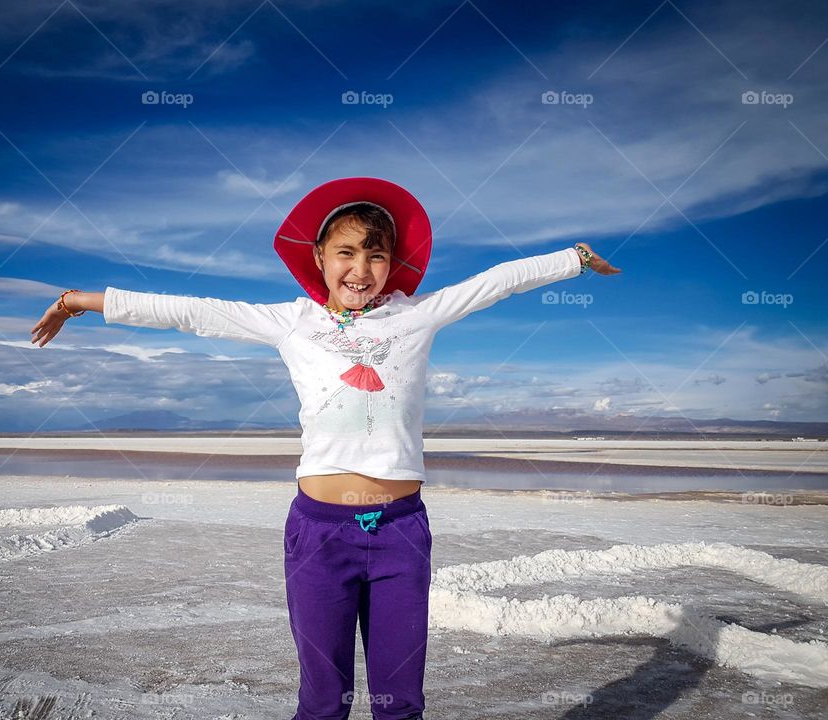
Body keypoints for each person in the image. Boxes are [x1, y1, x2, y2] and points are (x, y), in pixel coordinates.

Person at [30, 177, 621, 719]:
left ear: (393, 263)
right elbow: (194, 313)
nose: (361, 269)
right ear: (318, 257)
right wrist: (79, 300)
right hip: (319, 534)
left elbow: (494, 282)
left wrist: (573, 258)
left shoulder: (415, 317)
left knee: (400, 700)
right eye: (346, 252)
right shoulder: (292, 321)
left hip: (399, 531)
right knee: (322, 700)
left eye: (377, 255)